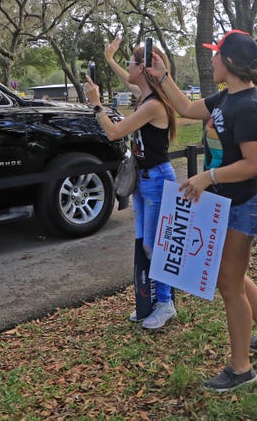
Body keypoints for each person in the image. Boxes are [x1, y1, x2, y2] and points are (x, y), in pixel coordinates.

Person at [147, 30, 257, 392]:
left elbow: (254, 164)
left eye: (215, 55)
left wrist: (206, 177)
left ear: (228, 61)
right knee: (232, 277)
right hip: (226, 203)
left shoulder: (247, 105)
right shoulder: (228, 98)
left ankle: (241, 368)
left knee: (229, 284)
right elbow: (184, 107)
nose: (211, 60)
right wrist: (162, 75)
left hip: (243, 205)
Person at [87, 38, 178, 330]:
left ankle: (166, 303)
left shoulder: (153, 105)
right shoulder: (144, 95)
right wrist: (110, 58)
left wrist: (97, 105)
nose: (127, 67)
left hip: (158, 181)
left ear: (144, 67)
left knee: (155, 246)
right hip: (143, 182)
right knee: (144, 244)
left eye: (130, 61)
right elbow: (128, 79)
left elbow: (114, 133)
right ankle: (149, 301)